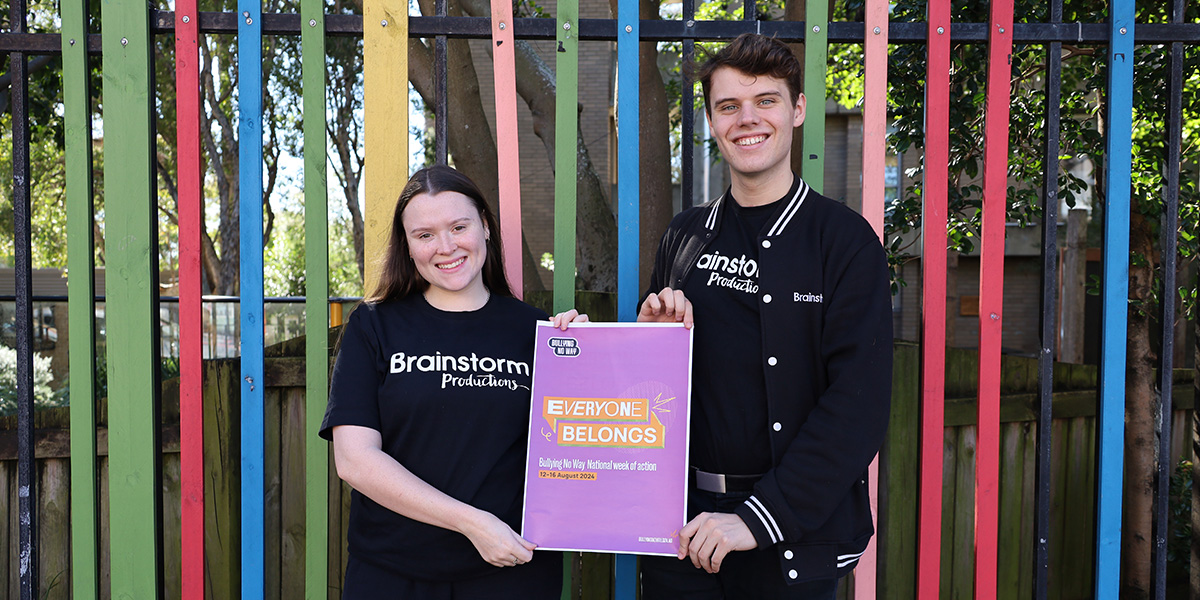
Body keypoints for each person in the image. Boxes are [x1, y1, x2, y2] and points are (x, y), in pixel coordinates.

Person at [635, 34, 893, 598]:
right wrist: (640, 343)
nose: (746, 119)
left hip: (791, 536)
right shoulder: (684, 236)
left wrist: (758, 518)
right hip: (682, 531)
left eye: (766, 101)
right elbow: (650, 393)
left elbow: (858, 406)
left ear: (797, 110)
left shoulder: (843, 242)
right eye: (728, 106)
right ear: (710, 119)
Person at [320, 166, 572, 599]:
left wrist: (590, 354)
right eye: (425, 235)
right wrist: (473, 522)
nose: (446, 247)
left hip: (512, 571)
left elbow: (593, 438)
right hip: (393, 574)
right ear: (408, 246)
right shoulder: (373, 327)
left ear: (486, 227)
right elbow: (355, 461)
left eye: (459, 226)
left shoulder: (540, 332)